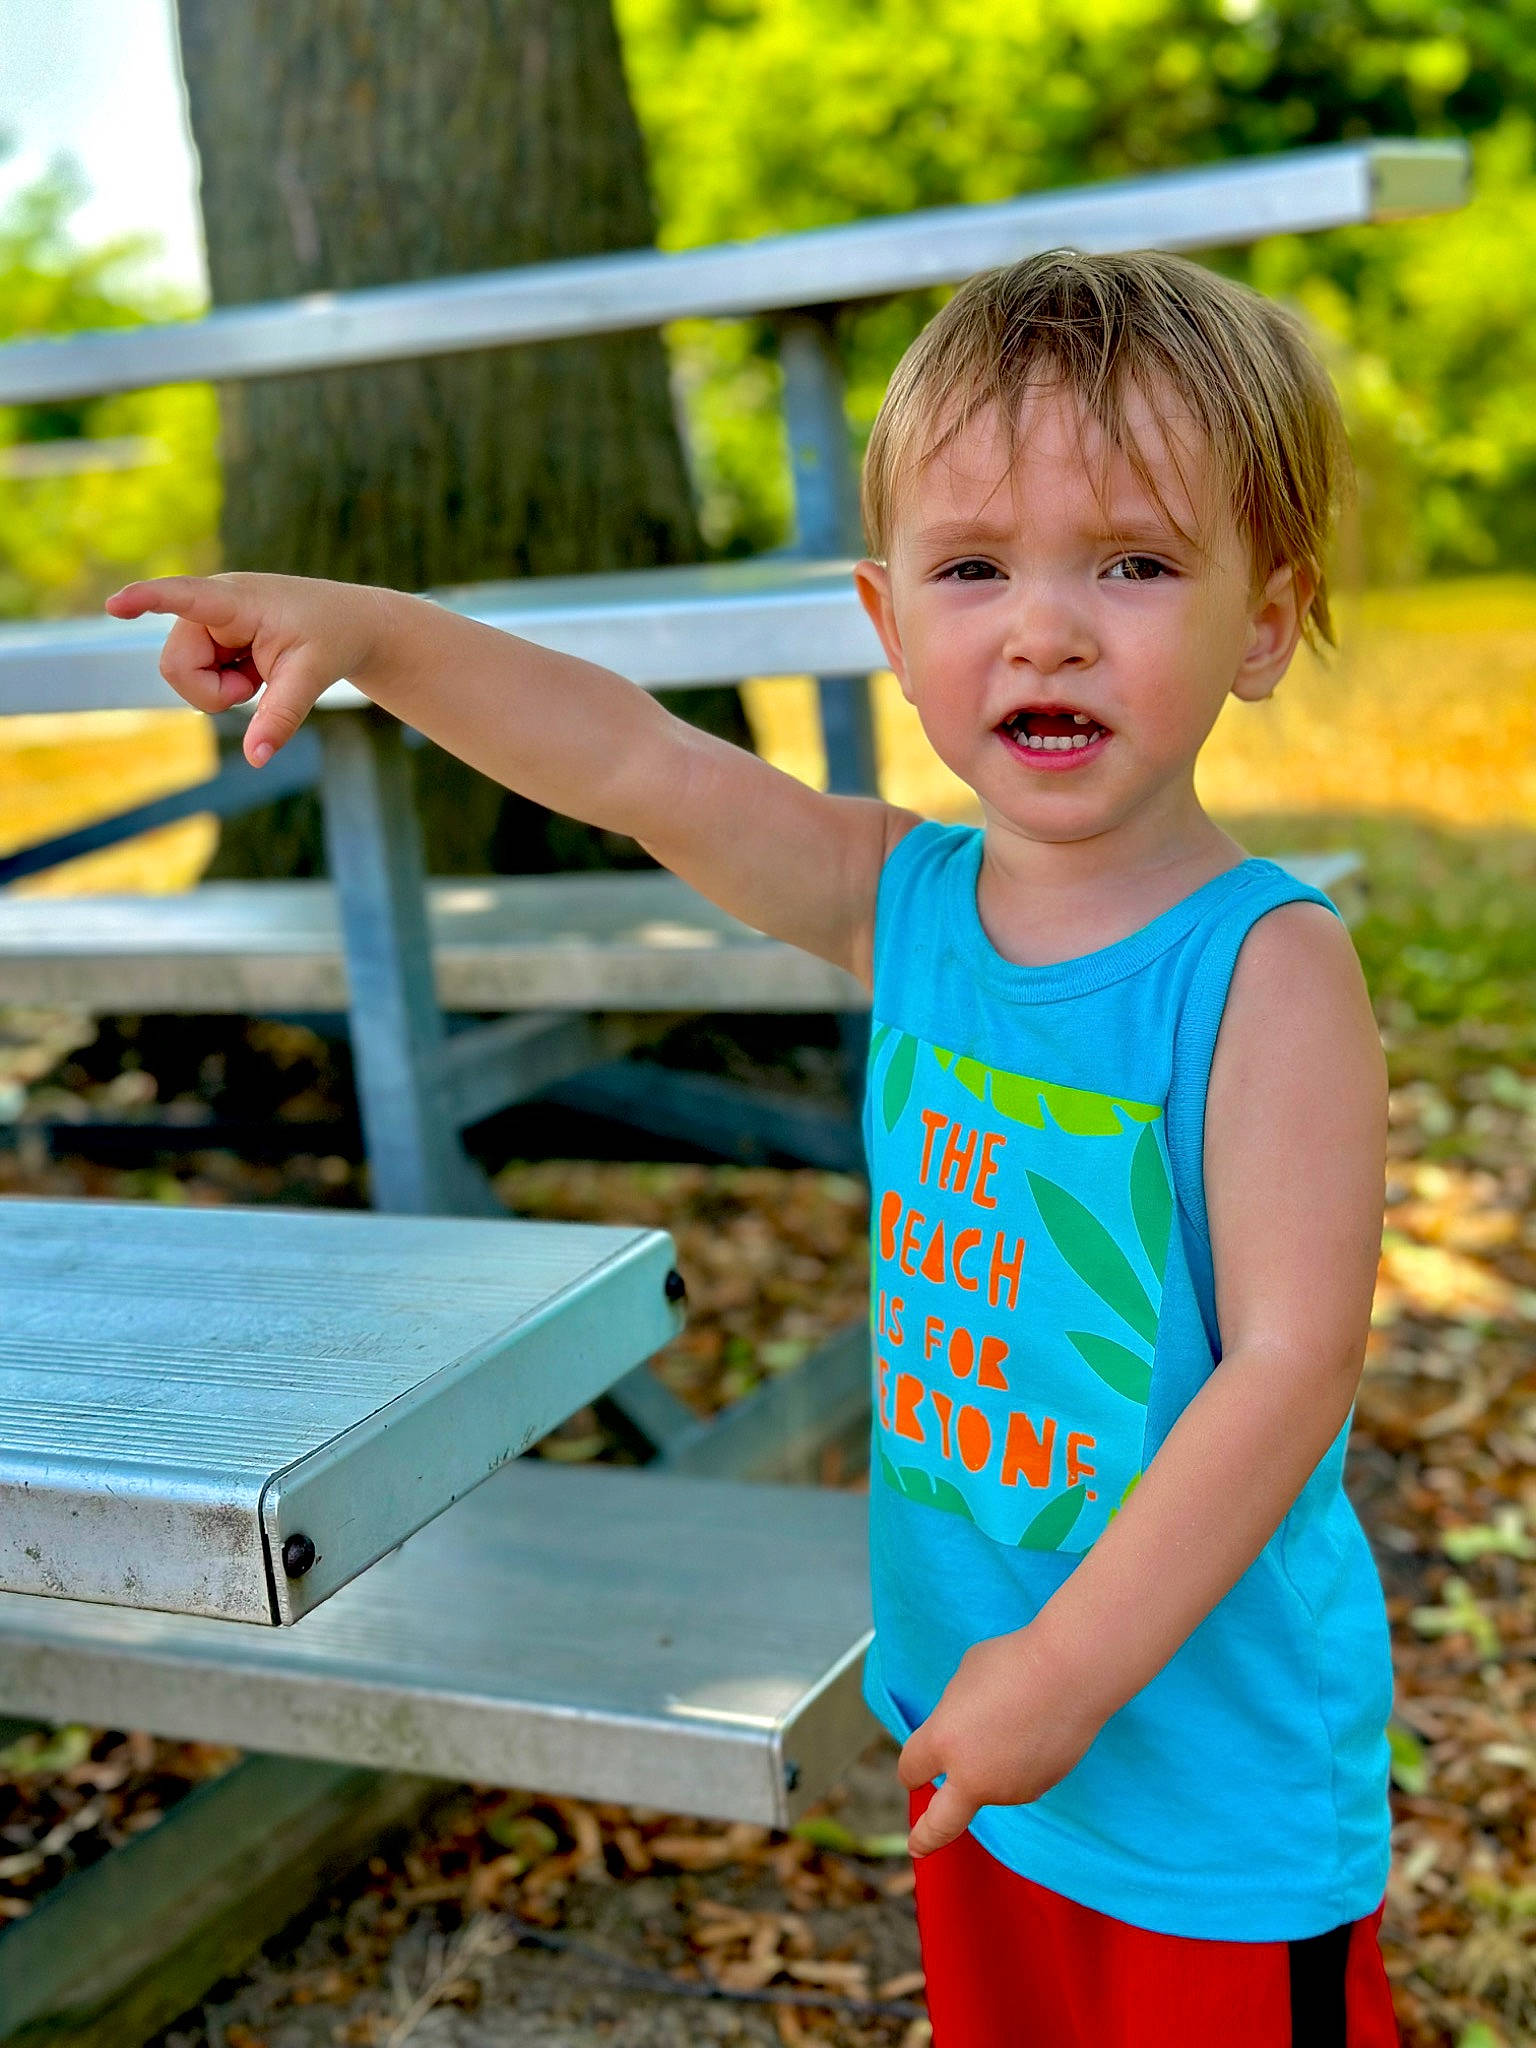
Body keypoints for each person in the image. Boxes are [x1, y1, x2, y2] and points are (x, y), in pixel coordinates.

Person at [107, 247, 1397, 2047]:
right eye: (975, 568)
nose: (1045, 628)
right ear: (889, 621)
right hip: (987, 1729)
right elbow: (632, 763)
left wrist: (1070, 1670)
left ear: (1264, 622)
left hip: (1204, 1781)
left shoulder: (1262, 967)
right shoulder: (903, 902)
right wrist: (380, 640)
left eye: (1134, 563)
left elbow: (1292, 1368)